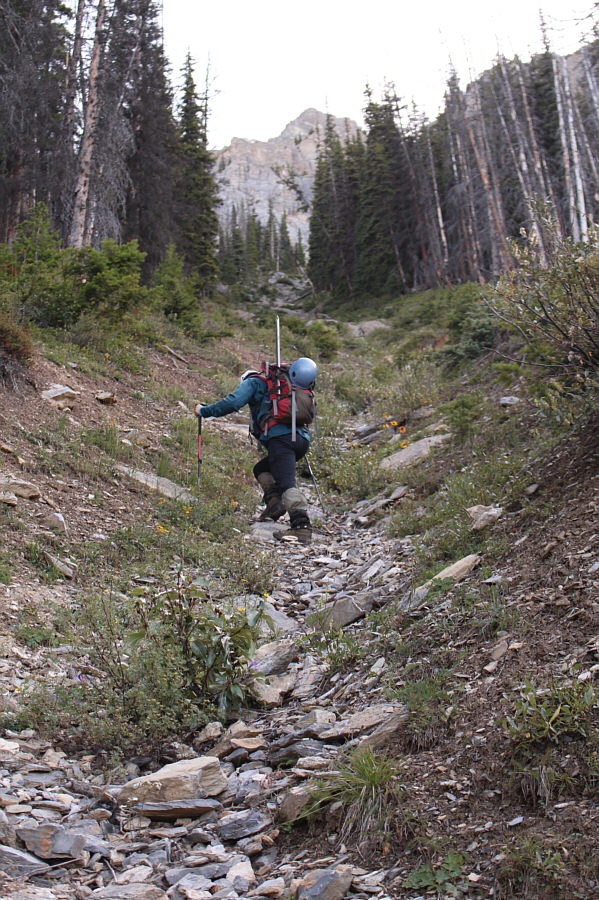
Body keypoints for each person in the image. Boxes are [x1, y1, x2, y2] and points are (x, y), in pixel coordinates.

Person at [194, 357, 317, 544]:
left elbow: (233, 402)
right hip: (301, 440)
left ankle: (301, 526)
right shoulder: (284, 383)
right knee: (262, 468)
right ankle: (275, 503)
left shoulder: (254, 383)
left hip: (281, 439)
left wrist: (204, 411)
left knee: (286, 482)